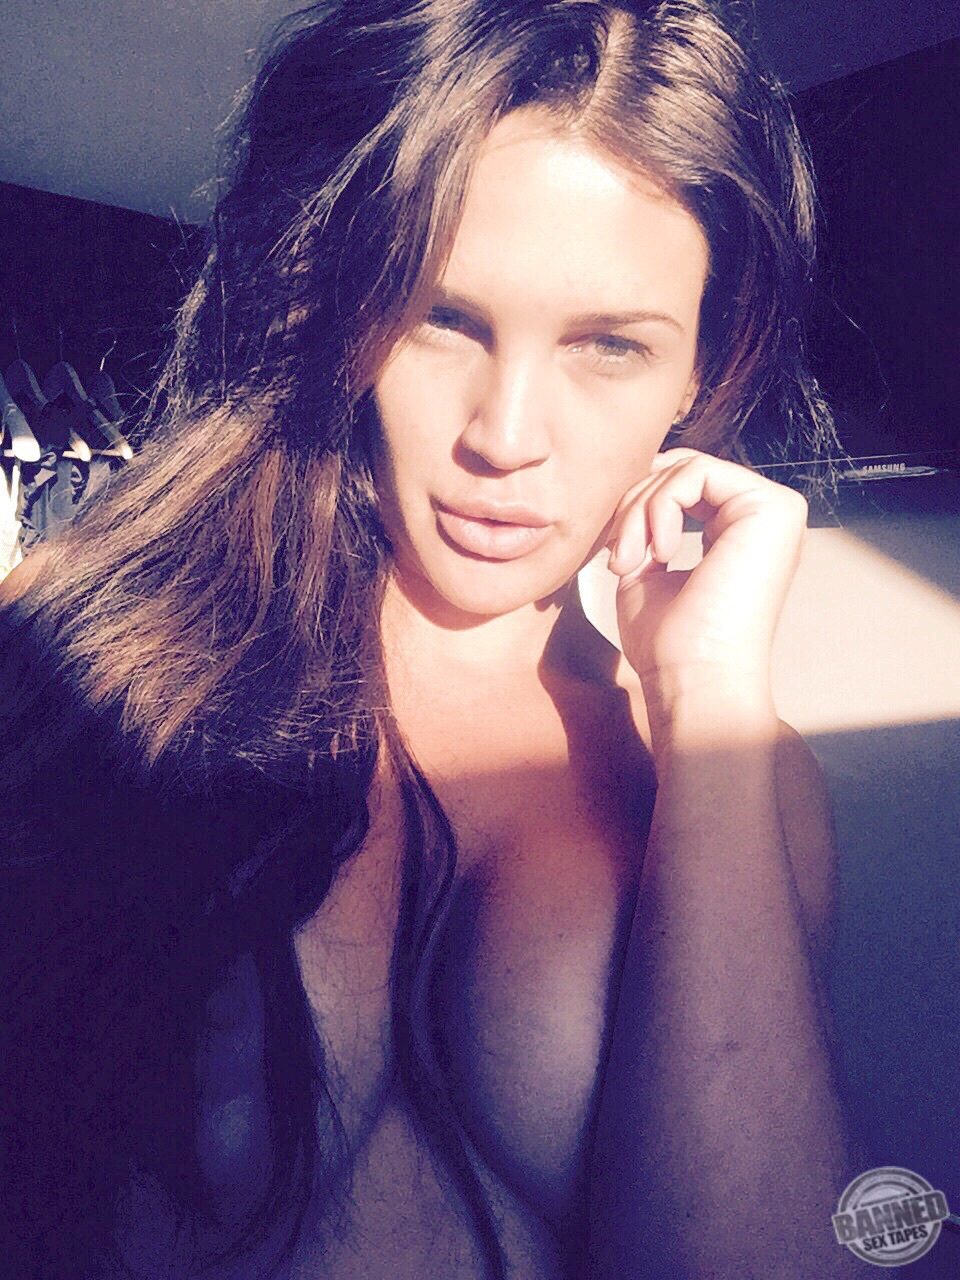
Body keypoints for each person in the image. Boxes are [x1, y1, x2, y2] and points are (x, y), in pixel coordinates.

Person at [0, 1, 869, 1277]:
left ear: (699, 365)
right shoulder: (95, 636)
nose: (504, 436)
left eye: (610, 345)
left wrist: (708, 689)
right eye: (441, 317)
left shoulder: (740, 772)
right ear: (342, 307)